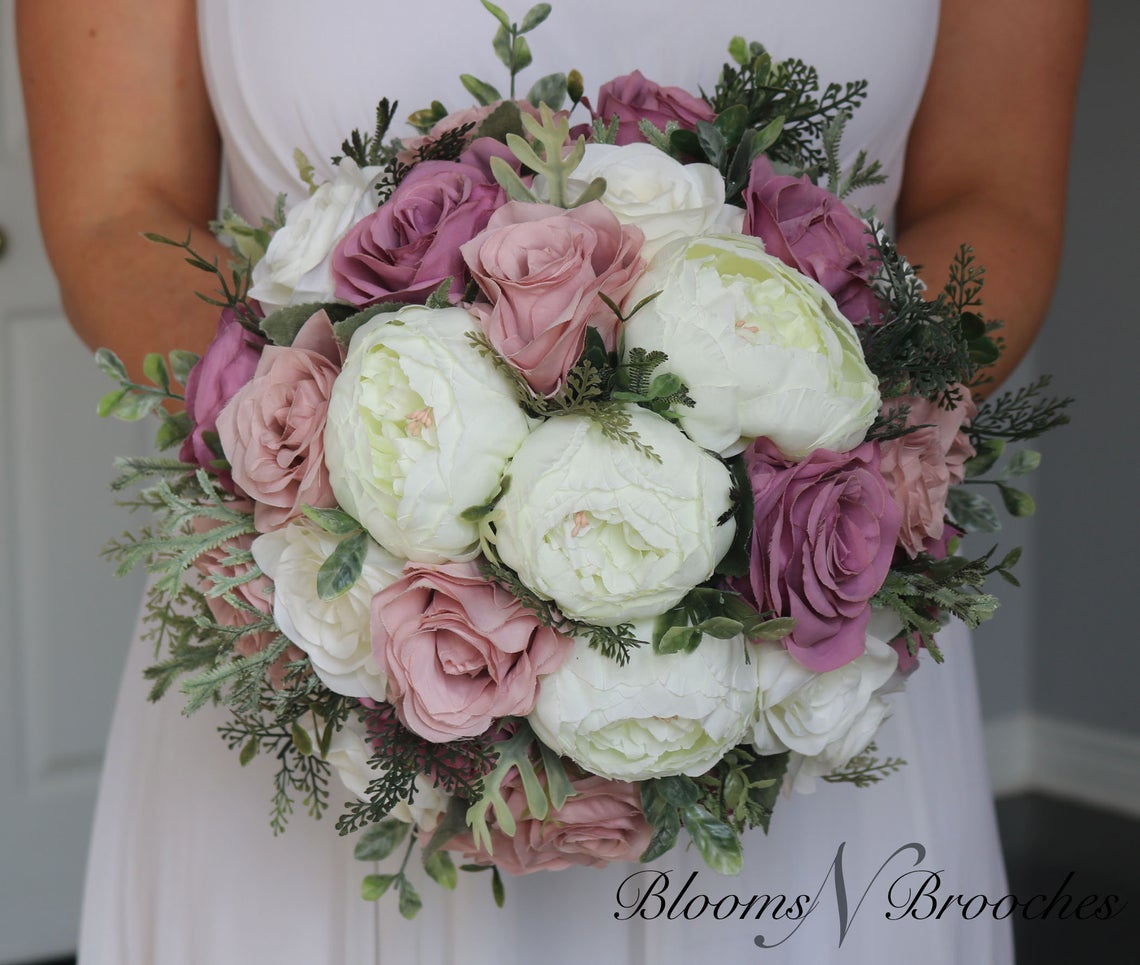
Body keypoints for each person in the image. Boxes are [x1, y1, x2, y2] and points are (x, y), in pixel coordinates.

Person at [17, 1, 1088, 962]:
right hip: (317, 659)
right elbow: (117, 213)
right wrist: (358, 511)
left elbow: (998, 200)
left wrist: (772, 525)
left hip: (802, 666)